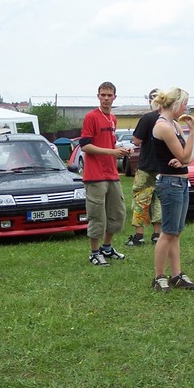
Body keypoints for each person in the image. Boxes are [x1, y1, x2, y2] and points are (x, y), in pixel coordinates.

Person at [80, 81, 131, 266]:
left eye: (109, 95)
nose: (106, 98)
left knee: (117, 213)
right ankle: (94, 253)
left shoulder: (113, 118)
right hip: (95, 175)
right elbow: (85, 145)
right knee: (97, 215)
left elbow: (110, 143)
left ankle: (107, 248)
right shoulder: (91, 117)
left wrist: (121, 150)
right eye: (103, 95)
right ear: (98, 96)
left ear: (115, 97)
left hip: (112, 174)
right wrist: (111, 152)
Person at [151, 88, 194, 291]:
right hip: (170, 183)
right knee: (167, 232)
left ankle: (176, 275)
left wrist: (184, 160)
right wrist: (192, 132)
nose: (186, 107)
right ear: (176, 104)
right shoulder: (163, 126)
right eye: (185, 103)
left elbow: (190, 156)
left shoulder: (175, 125)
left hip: (182, 182)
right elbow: (186, 155)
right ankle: (159, 276)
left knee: (175, 232)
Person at [125, 88, 162, 247]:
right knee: (159, 200)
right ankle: (157, 235)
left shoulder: (147, 118)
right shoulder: (169, 119)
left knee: (141, 199)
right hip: (163, 168)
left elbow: (136, 140)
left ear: (151, 101)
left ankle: (139, 236)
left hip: (146, 167)